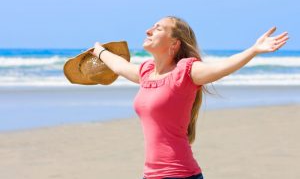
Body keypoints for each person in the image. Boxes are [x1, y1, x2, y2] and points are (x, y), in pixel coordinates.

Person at [91, 16, 289, 179]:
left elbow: (220, 68)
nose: (148, 31)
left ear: (174, 43)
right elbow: (119, 66)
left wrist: (253, 50)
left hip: (180, 174)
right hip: (150, 175)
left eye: (158, 29)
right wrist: (99, 51)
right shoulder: (147, 73)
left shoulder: (186, 72)